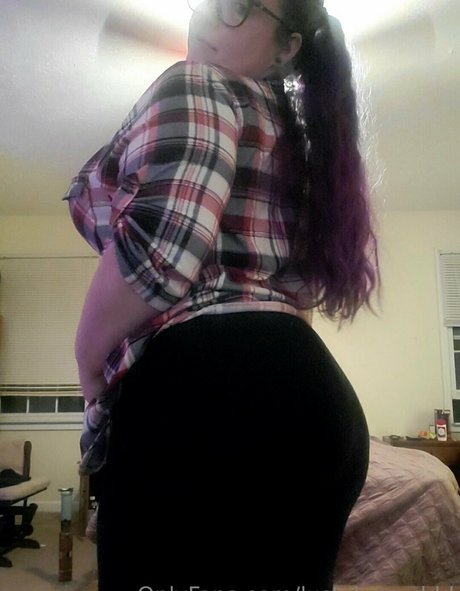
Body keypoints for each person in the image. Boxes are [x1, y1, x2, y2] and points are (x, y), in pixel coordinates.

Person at [64, 0, 380, 589]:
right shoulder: (298, 140)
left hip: (202, 403)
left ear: (287, 48)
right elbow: (298, 294)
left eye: (238, 7)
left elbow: (161, 256)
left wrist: (88, 365)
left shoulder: (198, 85)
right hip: (322, 409)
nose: (209, 18)